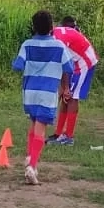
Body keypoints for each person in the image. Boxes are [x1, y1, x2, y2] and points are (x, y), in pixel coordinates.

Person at [12, 10, 74, 186]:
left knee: (33, 124)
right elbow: (69, 67)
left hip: (29, 92)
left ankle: (31, 157)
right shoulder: (59, 46)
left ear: (34, 27)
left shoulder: (27, 44)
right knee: (41, 129)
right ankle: (31, 166)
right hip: (47, 93)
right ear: (52, 27)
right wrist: (65, 86)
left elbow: (17, 66)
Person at [50, 16, 99, 145]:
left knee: (71, 97)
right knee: (66, 97)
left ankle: (68, 137)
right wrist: (63, 87)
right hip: (75, 61)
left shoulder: (58, 40)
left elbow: (65, 65)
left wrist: (65, 88)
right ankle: (58, 133)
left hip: (84, 62)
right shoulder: (54, 35)